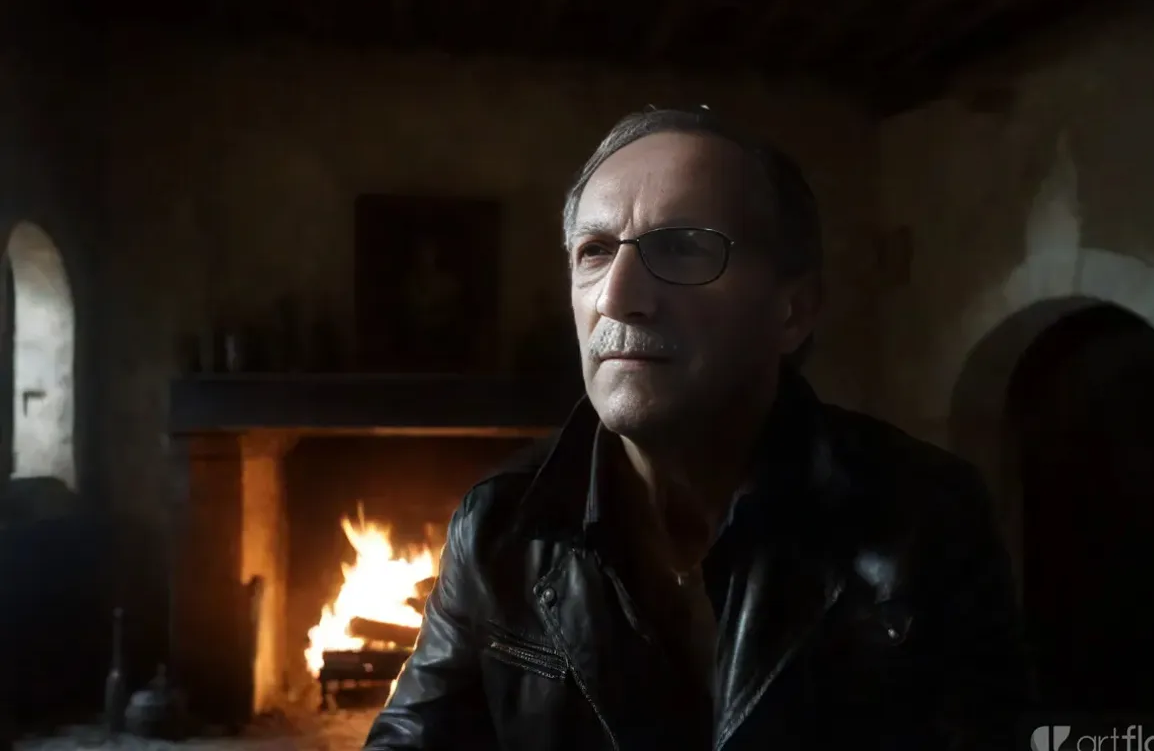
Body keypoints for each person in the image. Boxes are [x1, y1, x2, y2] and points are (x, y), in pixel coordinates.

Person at [363, 107, 1030, 750]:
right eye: (594, 251)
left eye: (683, 248)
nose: (618, 297)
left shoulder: (925, 517)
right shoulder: (500, 525)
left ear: (792, 311)